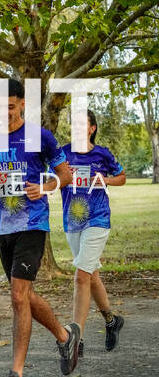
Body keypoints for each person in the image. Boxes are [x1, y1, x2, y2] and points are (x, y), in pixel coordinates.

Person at [0, 79, 80, 377]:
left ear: (22, 104)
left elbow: (65, 174)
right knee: (25, 296)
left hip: (33, 223)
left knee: (18, 297)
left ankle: (16, 376)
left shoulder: (40, 137)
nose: (4, 112)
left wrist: (44, 187)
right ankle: (65, 337)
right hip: (1, 227)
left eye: (9, 106)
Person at [61, 110, 126, 356]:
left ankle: (76, 339)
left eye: (82, 124)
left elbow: (122, 177)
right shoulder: (63, 154)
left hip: (98, 219)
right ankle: (111, 320)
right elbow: (51, 177)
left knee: (81, 276)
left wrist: (105, 180)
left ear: (92, 128)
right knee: (91, 275)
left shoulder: (102, 154)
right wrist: (60, 174)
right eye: (74, 124)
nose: (77, 128)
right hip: (73, 221)